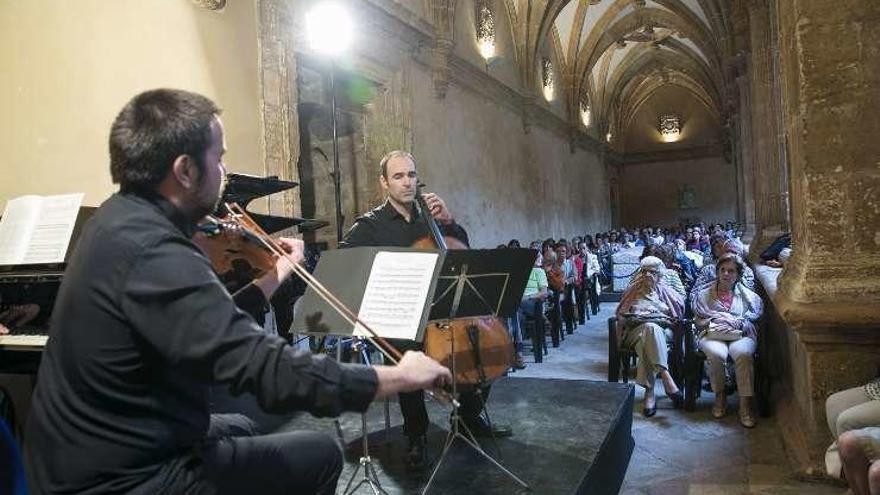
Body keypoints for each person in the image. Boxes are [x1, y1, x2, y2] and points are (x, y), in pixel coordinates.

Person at [25, 89, 452, 495]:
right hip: (123, 476)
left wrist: (278, 272)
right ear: (185, 170)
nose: (224, 173)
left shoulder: (117, 221)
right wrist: (397, 375)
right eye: (220, 159)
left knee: (243, 427)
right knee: (319, 453)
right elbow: (268, 369)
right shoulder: (156, 252)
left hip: (101, 442)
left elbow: (214, 323)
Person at [340, 149, 512, 471]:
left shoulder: (430, 218)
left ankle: (469, 416)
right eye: (398, 176)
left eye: (412, 175)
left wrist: (450, 221)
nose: (407, 182)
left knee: (481, 351)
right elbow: (344, 263)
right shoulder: (371, 225)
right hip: (404, 315)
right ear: (384, 183)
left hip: (443, 312)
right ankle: (416, 434)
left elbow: (461, 251)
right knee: (404, 354)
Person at [691, 253, 763, 428]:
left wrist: (736, 322)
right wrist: (717, 319)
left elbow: (753, 317)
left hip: (741, 333)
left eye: (731, 271)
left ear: (737, 274)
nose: (726, 274)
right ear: (717, 272)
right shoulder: (704, 295)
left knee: (743, 354)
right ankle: (720, 396)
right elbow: (698, 320)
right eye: (722, 270)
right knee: (716, 354)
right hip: (712, 333)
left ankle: (745, 404)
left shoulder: (747, 296)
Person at [615, 256, 685, 417]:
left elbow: (677, 315)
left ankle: (650, 392)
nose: (648, 275)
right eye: (645, 271)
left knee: (648, 336)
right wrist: (635, 313)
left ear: (659, 275)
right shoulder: (633, 290)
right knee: (649, 329)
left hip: (661, 332)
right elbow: (621, 317)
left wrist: (658, 312)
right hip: (634, 331)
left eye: (652, 272)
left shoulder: (666, 291)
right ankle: (666, 378)